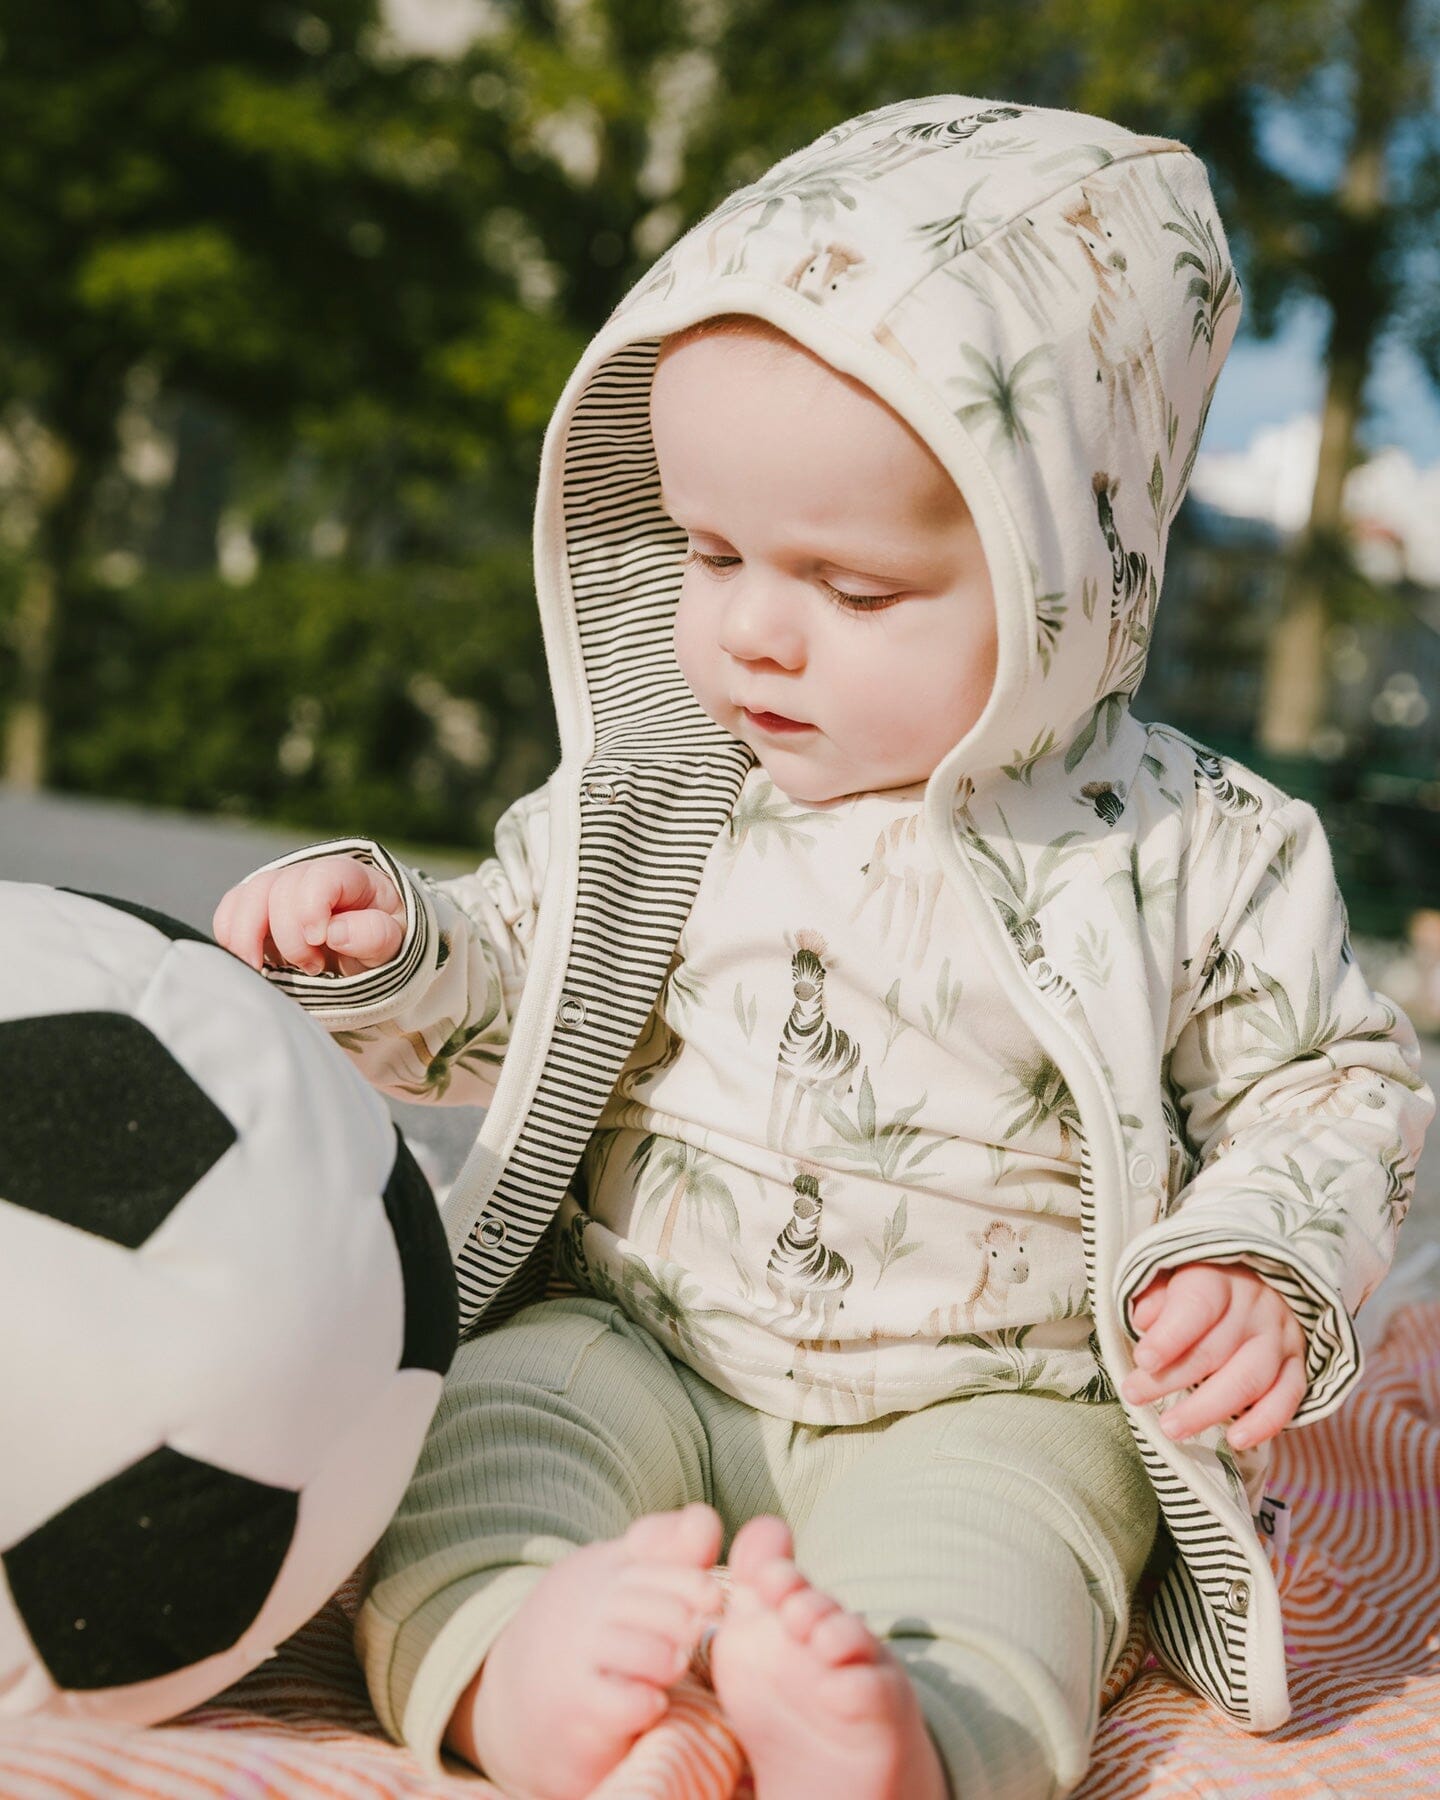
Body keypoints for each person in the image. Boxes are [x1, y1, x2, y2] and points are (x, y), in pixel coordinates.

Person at [214, 96, 1433, 1800]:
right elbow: (520, 979)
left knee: (1018, 1561)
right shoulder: (666, 789)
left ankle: (905, 1736)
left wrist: (1256, 1253)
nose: (752, 632)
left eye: (853, 590)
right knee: (471, 1442)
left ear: (1072, 569)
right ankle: (525, 1664)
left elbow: (1331, 1086)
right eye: (710, 553)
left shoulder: (1198, 848)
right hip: (631, 1334)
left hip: (987, 1392)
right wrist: (387, 951)